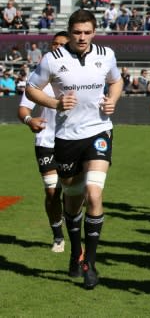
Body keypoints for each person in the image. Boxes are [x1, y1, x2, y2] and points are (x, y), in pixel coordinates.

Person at [26, 10, 123, 289]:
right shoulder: (52, 59)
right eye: (77, 32)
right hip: (66, 138)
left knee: (94, 193)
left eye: (87, 32)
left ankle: (89, 264)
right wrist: (54, 103)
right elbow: (32, 88)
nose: (82, 37)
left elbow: (116, 81)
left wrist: (112, 100)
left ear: (94, 32)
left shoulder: (106, 54)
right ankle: (75, 250)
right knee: (72, 198)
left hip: (99, 131)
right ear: (69, 32)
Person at [17, 31, 69, 254]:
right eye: (54, 44)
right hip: (46, 141)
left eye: (61, 45)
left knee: (76, 192)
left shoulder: (79, 77)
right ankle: (58, 235)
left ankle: (71, 215)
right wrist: (30, 120)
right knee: (51, 192)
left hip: (74, 141)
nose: (56, 47)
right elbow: (23, 108)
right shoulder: (40, 77)